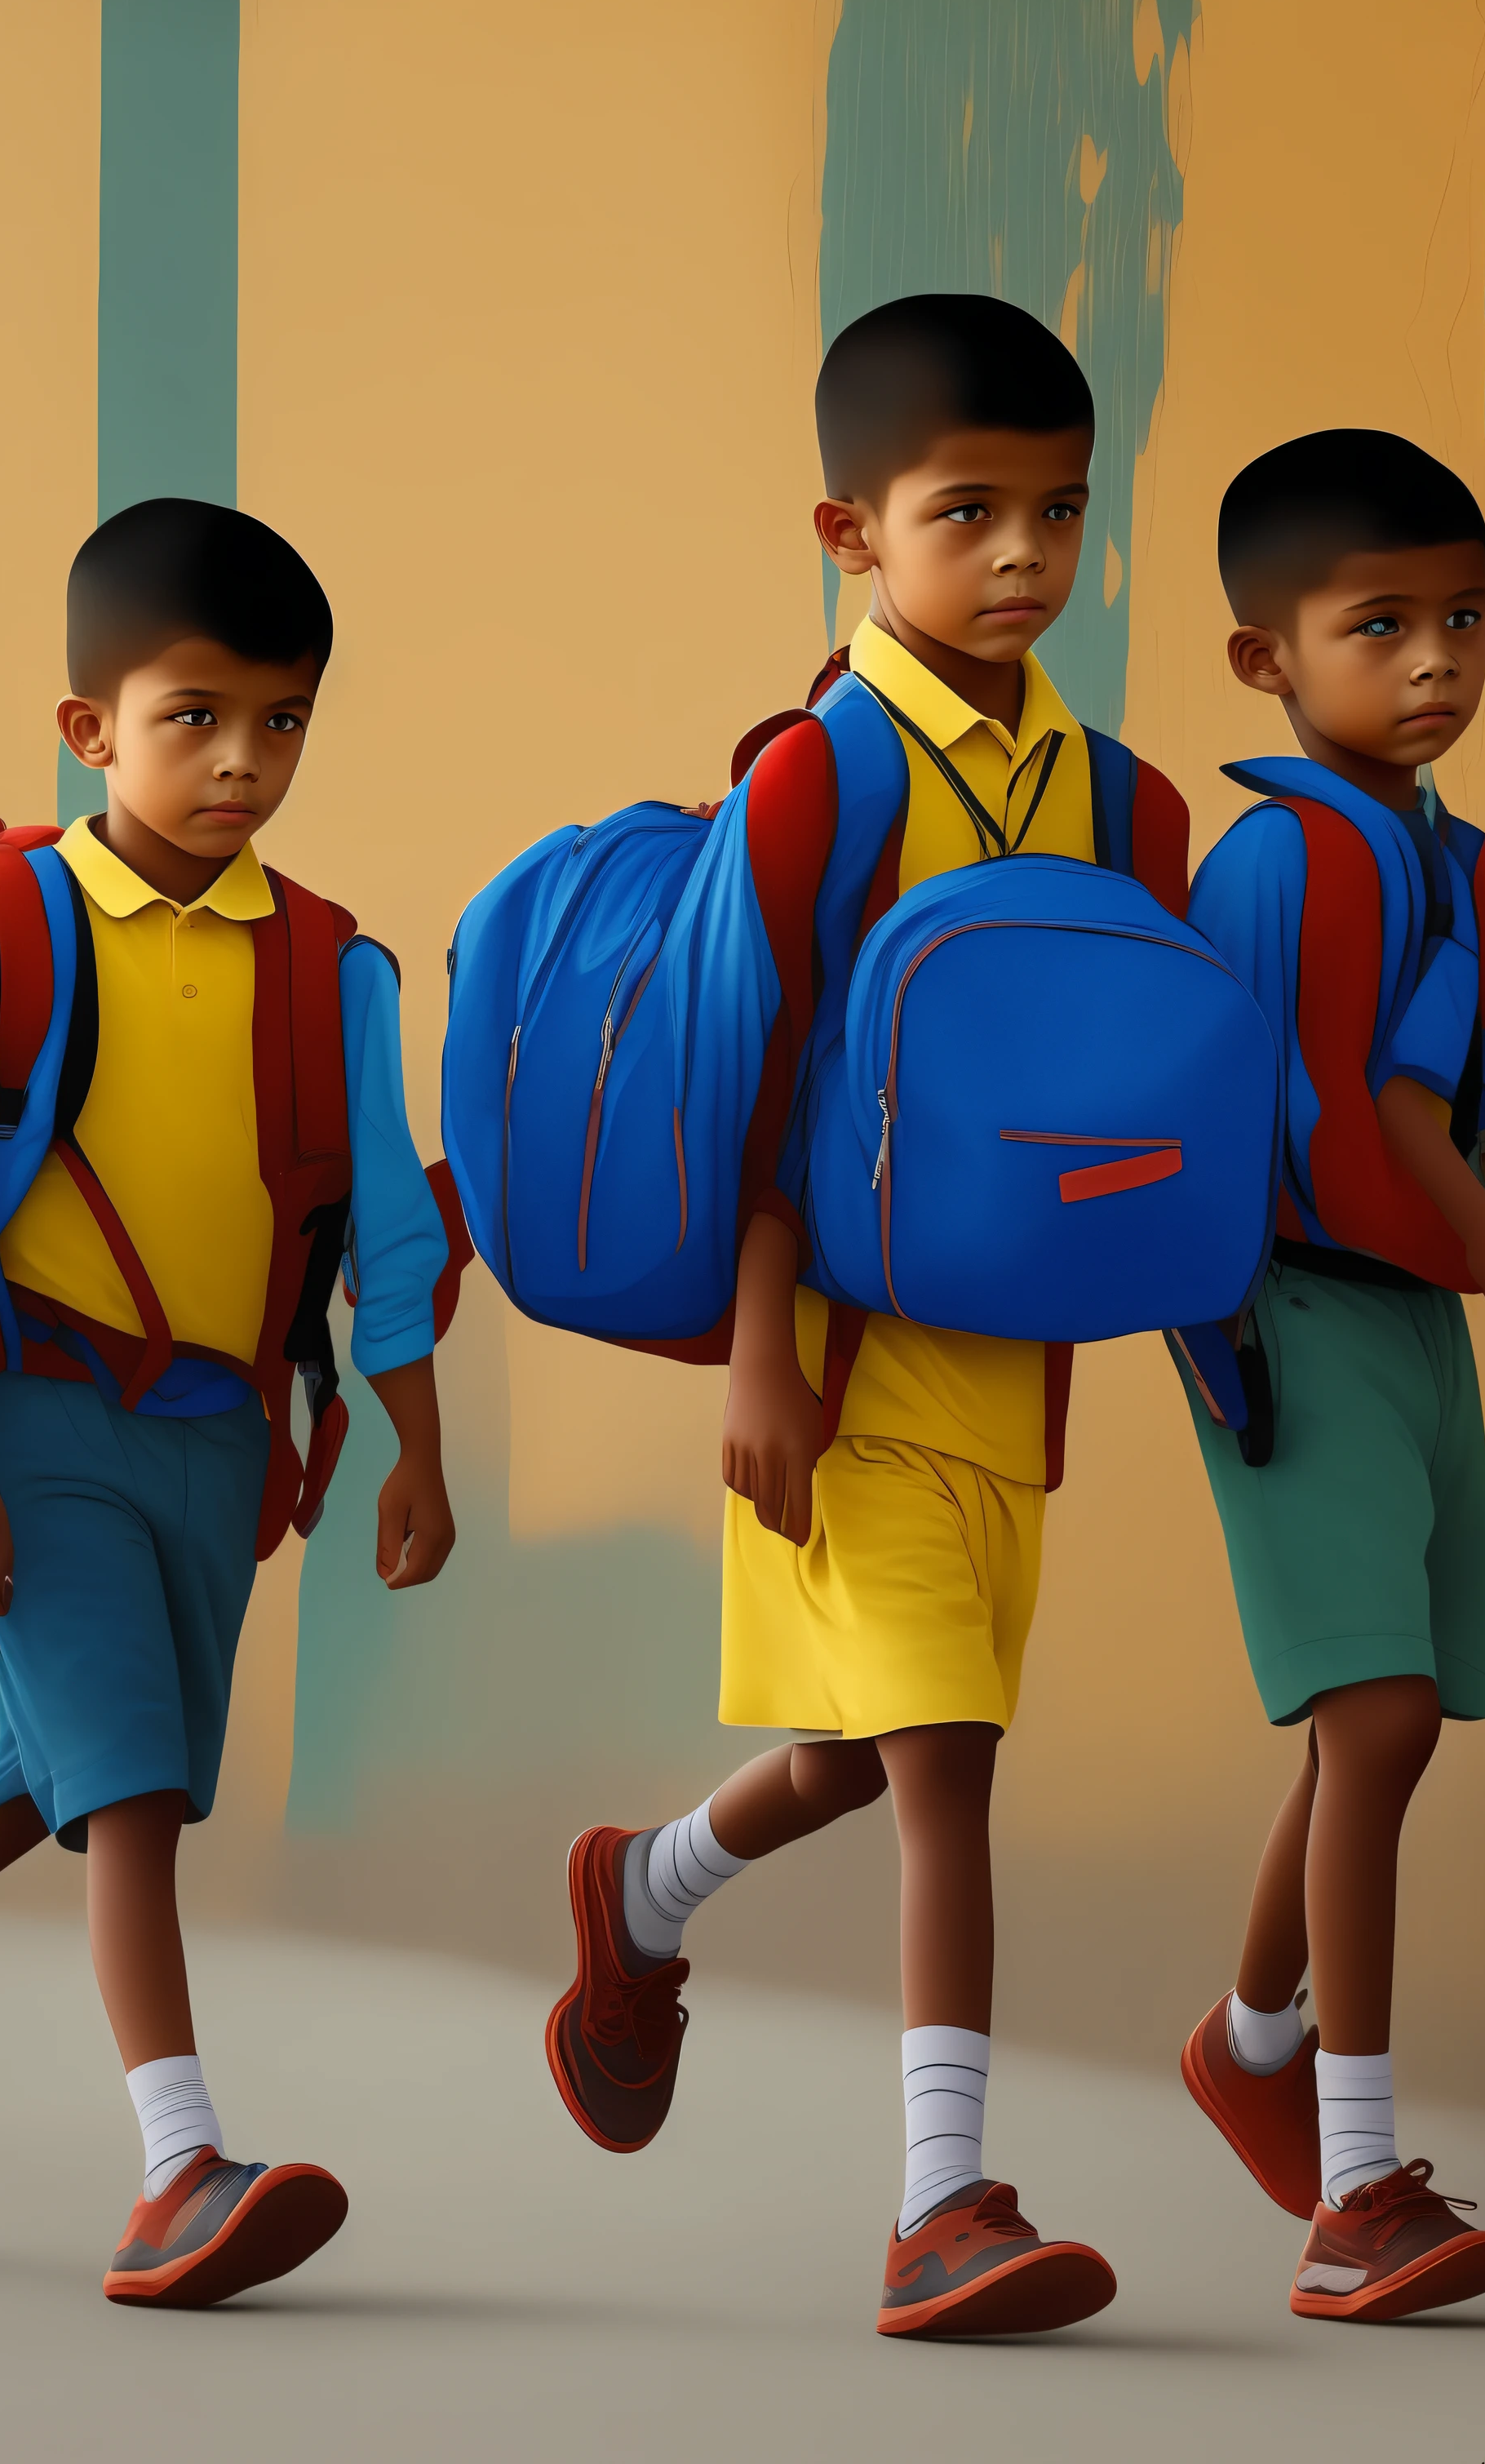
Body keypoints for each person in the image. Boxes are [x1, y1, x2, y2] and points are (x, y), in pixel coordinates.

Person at [546, 295, 1177, 2338]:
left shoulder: (1125, 798)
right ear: (851, 530)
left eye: (1060, 509)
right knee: (948, 1766)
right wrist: (753, 1352)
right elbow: (753, 1068)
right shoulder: (815, 778)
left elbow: (1136, 1108)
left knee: (850, 1757)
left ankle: (643, 1892)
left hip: (1017, 1381)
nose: (1020, 554)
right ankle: (943, 2202)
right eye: (966, 508)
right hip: (834, 1365)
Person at [0, 498, 455, 2310]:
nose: (243, 759)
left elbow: (385, 1226)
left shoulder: (334, 962)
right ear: (87, 728)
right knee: (130, 1788)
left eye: (283, 719)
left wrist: (413, 1443)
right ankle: (177, 2162)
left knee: (83, 1752)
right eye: (195, 715)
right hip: (22, 1396)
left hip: (217, 1432)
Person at [1172, 428, 1485, 2323]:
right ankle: (1356, 2185)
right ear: (1264, 659)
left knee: (1397, 1715)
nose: (1438, 660)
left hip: (1415, 1319)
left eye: (1464, 617)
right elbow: (1346, 1139)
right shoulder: (1280, 860)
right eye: (1381, 624)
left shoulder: (1456, 859)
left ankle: (1248, 2041)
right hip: (1287, 1312)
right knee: (1369, 1723)